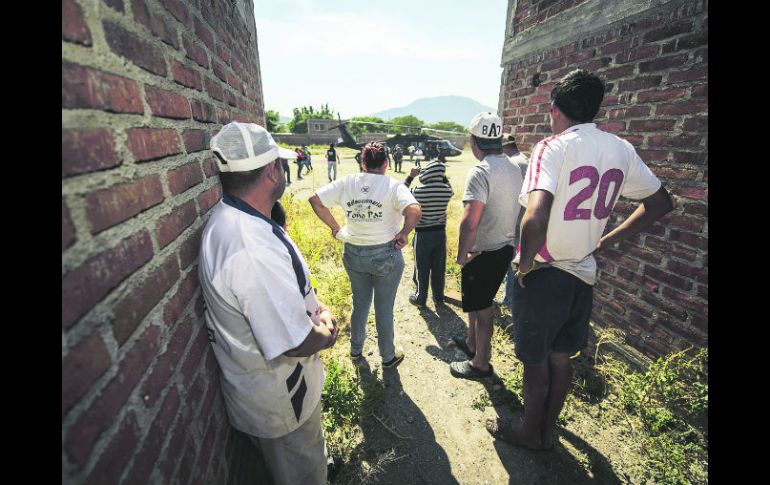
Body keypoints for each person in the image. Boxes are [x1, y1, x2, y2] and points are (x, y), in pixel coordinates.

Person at [485, 69, 674, 450]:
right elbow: (660, 202)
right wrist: (605, 240)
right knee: (561, 358)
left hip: (546, 272)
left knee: (535, 362)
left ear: (555, 110)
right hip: (583, 272)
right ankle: (548, 431)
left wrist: (525, 265)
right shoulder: (621, 148)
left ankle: (527, 431)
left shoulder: (552, 147)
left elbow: (534, 217)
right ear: (595, 108)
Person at [199, 122, 340, 484]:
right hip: (281, 402)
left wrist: (316, 305)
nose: (284, 170)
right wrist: (327, 332)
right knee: (302, 475)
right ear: (270, 171)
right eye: (280, 163)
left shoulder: (242, 219)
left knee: (308, 462)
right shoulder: (250, 248)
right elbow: (294, 341)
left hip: (281, 390)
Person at [309, 142, 421, 369]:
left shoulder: (349, 181)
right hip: (385, 255)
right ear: (386, 164)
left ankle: (355, 350)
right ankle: (388, 356)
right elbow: (414, 210)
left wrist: (337, 229)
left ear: (362, 163)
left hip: (353, 252)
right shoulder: (393, 185)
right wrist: (404, 233)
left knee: (360, 304)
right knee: (384, 307)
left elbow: (315, 200)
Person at [450, 112, 525, 381]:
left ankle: (481, 363)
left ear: (474, 141)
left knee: (483, 310)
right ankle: (471, 343)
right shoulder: (515, 166)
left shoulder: (480, 171)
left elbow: (469, 222)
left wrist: (461, 255)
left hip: (481, 252)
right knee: (476, 303)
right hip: (505, 246)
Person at [404, 156, 454, 307]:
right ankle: (438, 297)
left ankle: (421, 298)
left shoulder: (418, 191)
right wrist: (442, 176)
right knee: (439, 266)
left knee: (422, 267)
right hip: (440, 234)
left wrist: (411, 176)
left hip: (423, 234)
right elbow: (450, 188)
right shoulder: (446, 191)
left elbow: (402, 192)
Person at [495, 132, 528, 307]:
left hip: (513, 221)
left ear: (504, 147)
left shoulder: (513, 163)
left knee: (510, 261)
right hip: (523, 219)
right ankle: (510, 296)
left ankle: (509, 299)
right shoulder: (524, 159)